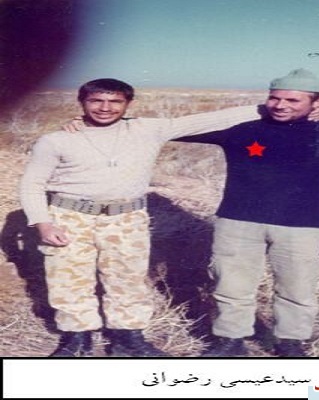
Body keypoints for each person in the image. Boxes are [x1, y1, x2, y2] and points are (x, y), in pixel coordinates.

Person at [19, 78, 262, 357]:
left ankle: (128, 340)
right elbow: (32, 184)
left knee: (127, 279)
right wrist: (42, 223)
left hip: (127, 219)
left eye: (115, 101)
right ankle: (77, 340)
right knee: (69, 280)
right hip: (71, 217)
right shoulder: (55, 140)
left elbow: (208, 120)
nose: (105, 108)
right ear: (82, 102)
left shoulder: (147, 129)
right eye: (96, 100)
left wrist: (270, 107)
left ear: (128, 103)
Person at [174, 69, 319, 357]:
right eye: (274, 98)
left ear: (317, 103)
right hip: (238, 222)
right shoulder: (242, 131)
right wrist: (107, 123)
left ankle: (290, 342)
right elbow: (179, 130)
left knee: (297, 289)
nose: (280, 105)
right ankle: (231, 340)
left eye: (292, 100)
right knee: (231, 286)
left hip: (302, 227)